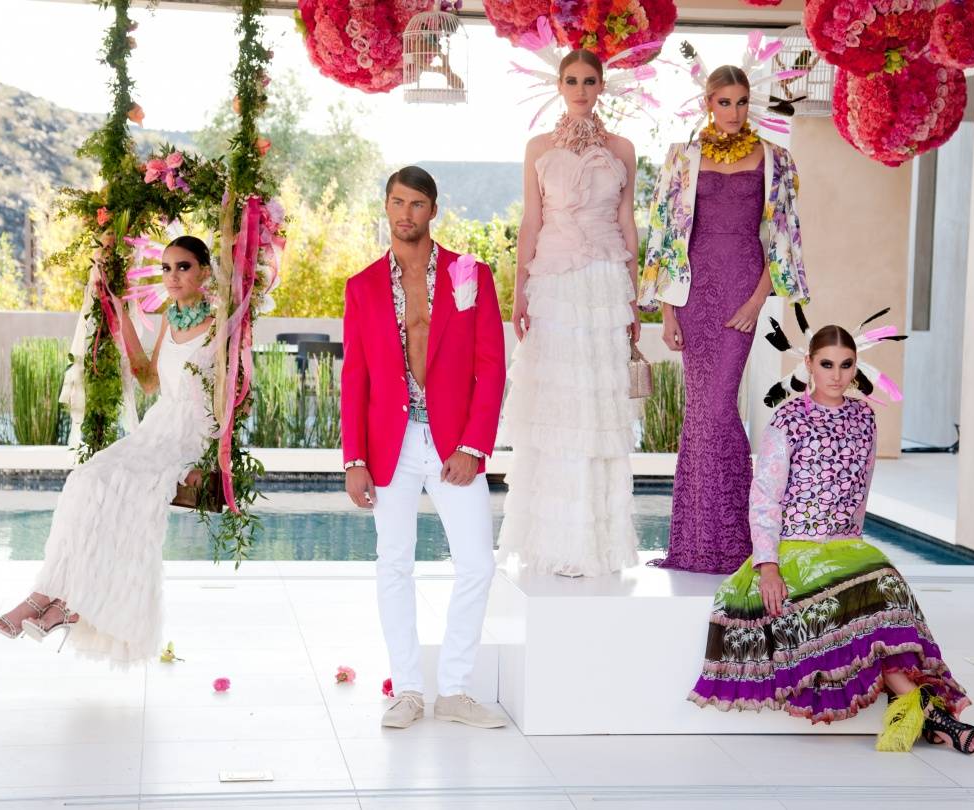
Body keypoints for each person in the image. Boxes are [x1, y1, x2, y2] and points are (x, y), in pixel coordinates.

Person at [687, 325, 974, 755]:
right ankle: (931, 713)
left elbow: (861, 492)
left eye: (846, 365)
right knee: (868, 602)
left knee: (889, 591)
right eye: (827, 364)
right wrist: (767, 565)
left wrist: (854, 553)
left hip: (846, 546)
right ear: (809, 364)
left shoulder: (864, 418)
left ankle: (919, 710)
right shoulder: (788, 418)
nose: (837, 375)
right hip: (796, 548)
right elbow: (765, 496)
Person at [0, 235, 218, 667]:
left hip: (191, 432)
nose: (172, 276)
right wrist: (119, 314)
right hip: (157, 427)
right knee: (86, 478)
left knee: (129, 485)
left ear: (204, 271)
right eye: (166, 268)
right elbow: (148, 380)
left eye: (183, 267)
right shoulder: (169, 319)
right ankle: (49, 596)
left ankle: (74, 602)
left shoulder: (223, 325)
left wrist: (212, 459)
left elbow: (237, 397)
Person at [341, 166, 507, 729]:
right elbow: (355, 377)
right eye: (397, 202)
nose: (405, 213)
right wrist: (354, 459)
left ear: (433, 210)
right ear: (386, 207)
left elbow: (491, 366)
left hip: (452, 441)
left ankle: (454, 690)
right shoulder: (362, 286)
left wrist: (473, 445)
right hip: (390, 444)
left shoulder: (471, 275)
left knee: (477, 564)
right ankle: (408, 690)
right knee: (394, 563)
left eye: (416, 204)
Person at [640, 65, 809, 573]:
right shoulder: (683, 158)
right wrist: (668, 311)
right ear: (707, 104)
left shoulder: (776, 159)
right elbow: (667, 236)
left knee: (716, 408)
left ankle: (737, 538)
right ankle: (700, 542)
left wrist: (757, 302)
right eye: (724, 102)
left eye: (741, 101)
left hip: (742, 289)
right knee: (702, 412)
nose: (733, 112)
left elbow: (782, 240)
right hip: (694, 293)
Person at [496, 49, 640, 578]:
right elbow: (531, 222)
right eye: (572, 80)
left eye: (589, 81)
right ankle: (553, 543)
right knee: (557, 404)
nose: (580, 89)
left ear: (602, 87)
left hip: (604, 282)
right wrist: (520, 292)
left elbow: (627, 221)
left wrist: (632, 297)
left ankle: (593, 545)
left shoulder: (622, 149)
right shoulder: (538, 147)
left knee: (596, 406)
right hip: (553, 282)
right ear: (559, 86)